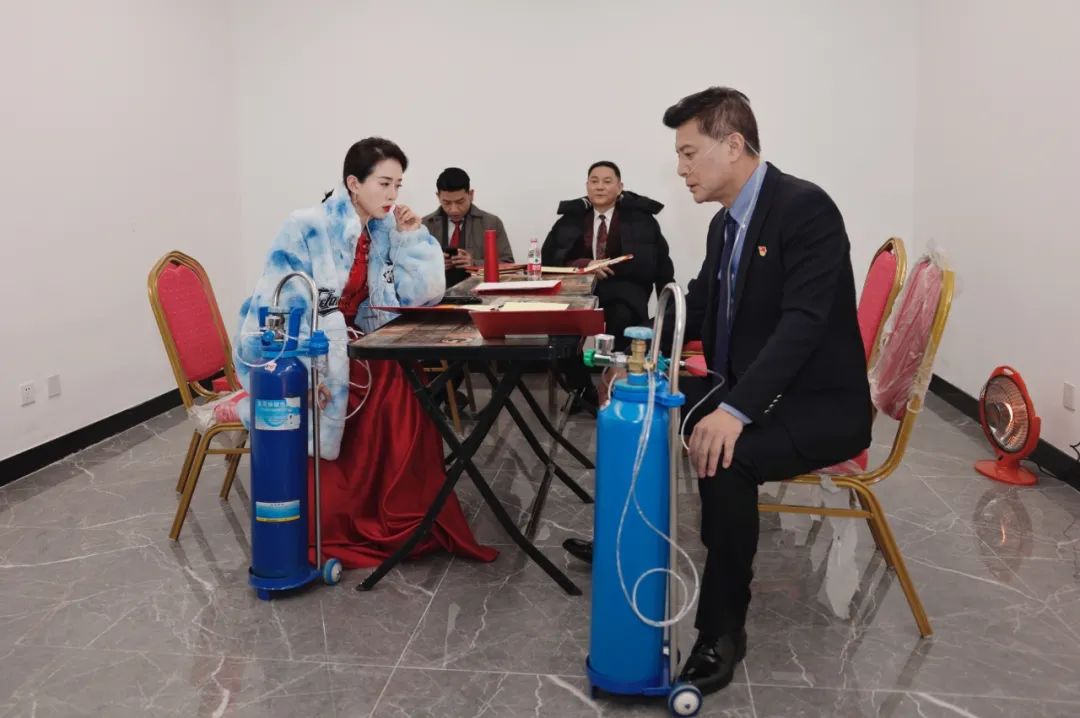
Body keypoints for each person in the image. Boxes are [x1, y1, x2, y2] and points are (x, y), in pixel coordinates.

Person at [565, 88, 872, 696]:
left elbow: (804, 324)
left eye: (688, 153)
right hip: (754, 384)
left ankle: (721, 630)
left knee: (727, 458)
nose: (680, 169)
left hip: (819, 404)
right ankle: (628, 539)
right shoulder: (725, 224)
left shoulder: (805, 209)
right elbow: (697, 307)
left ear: (733, 146)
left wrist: (735, 410)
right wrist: (639, 359)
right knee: (649, 406)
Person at [234, 138, 497, 569]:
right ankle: (349, 521)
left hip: (360, 344)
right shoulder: (306, 226)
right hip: (313, 350)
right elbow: (276, 307)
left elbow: (423, 296)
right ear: (354, 183)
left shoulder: (383, 228)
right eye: (384, 183)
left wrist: (413, 239)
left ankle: (399, 514)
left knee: (403, 380)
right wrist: (309, 371)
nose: (393, 195)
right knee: (390, 385)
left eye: (398, 185)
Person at [542, 161, 674, 409]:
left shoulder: (640, 219)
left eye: (607, 181)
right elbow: (550, 258)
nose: (600, 187)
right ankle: (582, 390)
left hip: (623, 288)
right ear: (587, 186)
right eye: (594, 181)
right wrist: (585, 264)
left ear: (620, 186)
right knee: (561, 333)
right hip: (580, 289)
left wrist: (668, 309)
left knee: (622, 317)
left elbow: (658, 262)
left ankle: (616, 385)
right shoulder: (571, 218)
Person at [422, 167, 514, 289]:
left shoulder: (491, 223)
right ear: (438, 196)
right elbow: (410, 269)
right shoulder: (425, 225)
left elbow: (509, 264)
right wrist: (435, 265)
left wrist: (474, 263)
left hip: (480, 294)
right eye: (447, 203)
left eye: (460, 202)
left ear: (471, 195)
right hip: (435, 295)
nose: (454, 209)